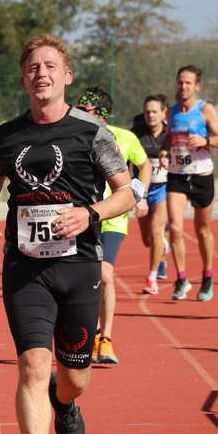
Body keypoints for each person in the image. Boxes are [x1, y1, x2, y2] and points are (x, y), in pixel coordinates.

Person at [0, 34, 135, 434]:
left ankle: (63, 403)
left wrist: (91, 214)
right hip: (25, 268)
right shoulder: (7, 135)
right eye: (32, 67)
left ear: (66, 76)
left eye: (50, 66)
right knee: (31, 366)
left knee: (76, 376)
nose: (40, 73)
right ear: (24, 78)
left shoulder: (91, 132)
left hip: (78, 264)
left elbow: (128, 193)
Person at [75, 87, 149, 365]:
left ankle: (104, 339)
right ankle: (84, 335)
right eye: (78, 108)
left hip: (114, 217)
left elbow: (144, 164)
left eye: (87, 110)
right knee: (81, 277)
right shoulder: (74, 134)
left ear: (102, 114)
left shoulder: (125, 137)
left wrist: (140, 194)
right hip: (83, 215)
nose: (80, 113)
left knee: (105, 274)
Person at [158, 65, 218, 302]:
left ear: (197, 86)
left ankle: (207, 276)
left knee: (202, 230)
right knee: (176, 228)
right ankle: (182, 278)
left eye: (188, 82)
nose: (183, 86)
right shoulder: (171, 111)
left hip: (201, 175)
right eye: (180, 82)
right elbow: (169, 135)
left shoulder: (205, 109)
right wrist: (165, 150)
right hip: (177, 175)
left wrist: (205, 139)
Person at [133, 94, 170, 294]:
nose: (150, 115)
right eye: (147, 112)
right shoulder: (136, 134)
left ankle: (152, 277)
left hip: (164, 188)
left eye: (155, 111)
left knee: (156, 231)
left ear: (163, 113)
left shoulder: (170, 135)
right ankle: (162, 249)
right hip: (142, 189)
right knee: (147, 239)